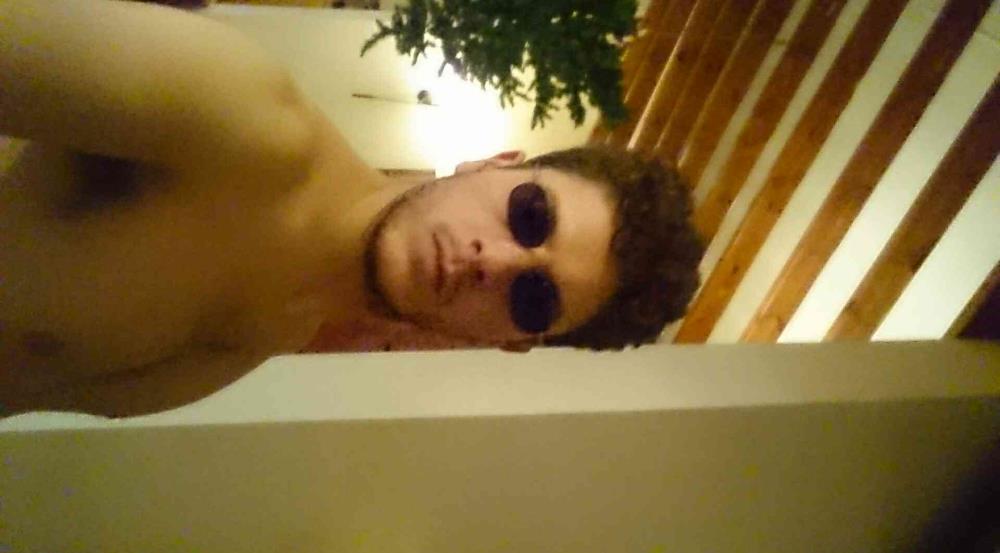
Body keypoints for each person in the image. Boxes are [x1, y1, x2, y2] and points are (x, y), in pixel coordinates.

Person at [0, 0, 702, 417]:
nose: (496, 261)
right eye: (530, 216)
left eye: (534, 298)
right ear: (496, 162)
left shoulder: (271, 335)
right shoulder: (241, 117)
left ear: (511, 342)